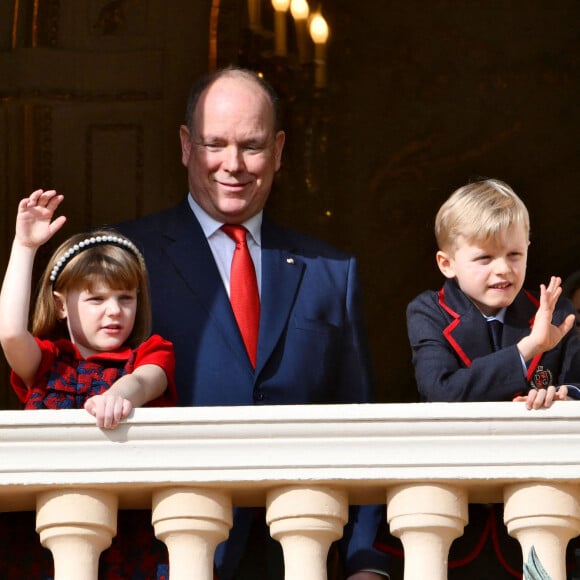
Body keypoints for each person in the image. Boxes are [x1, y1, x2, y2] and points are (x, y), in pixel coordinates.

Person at [118, 66, 390, 579]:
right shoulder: (129, 258)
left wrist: (363, 560)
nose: (233, 164)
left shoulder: (331, 272)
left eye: (253, 145)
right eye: (215, 143)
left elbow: (362, 424)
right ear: (185, 146)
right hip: (169, 550)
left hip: (295, 550)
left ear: (280, 150)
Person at [405, 178, 580, 579]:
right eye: (484, 258)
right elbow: (441, 391)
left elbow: (577, 380)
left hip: (538, 514)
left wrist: (567, 397)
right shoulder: (427, 311)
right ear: (447, 263)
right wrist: (527, 349)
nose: (503, 269)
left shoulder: (555, 310)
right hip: (456, 526)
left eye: (514, 254)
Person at [0, 189, 177, 578]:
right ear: (62, 305)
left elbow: (147, 381)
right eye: (96, 299)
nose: (114, 310)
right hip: (45, 535)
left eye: (125, 297)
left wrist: (117, 395)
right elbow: (12, 334)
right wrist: (24, 246)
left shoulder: (149, 350)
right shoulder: (48, 364)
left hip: (132, 540)